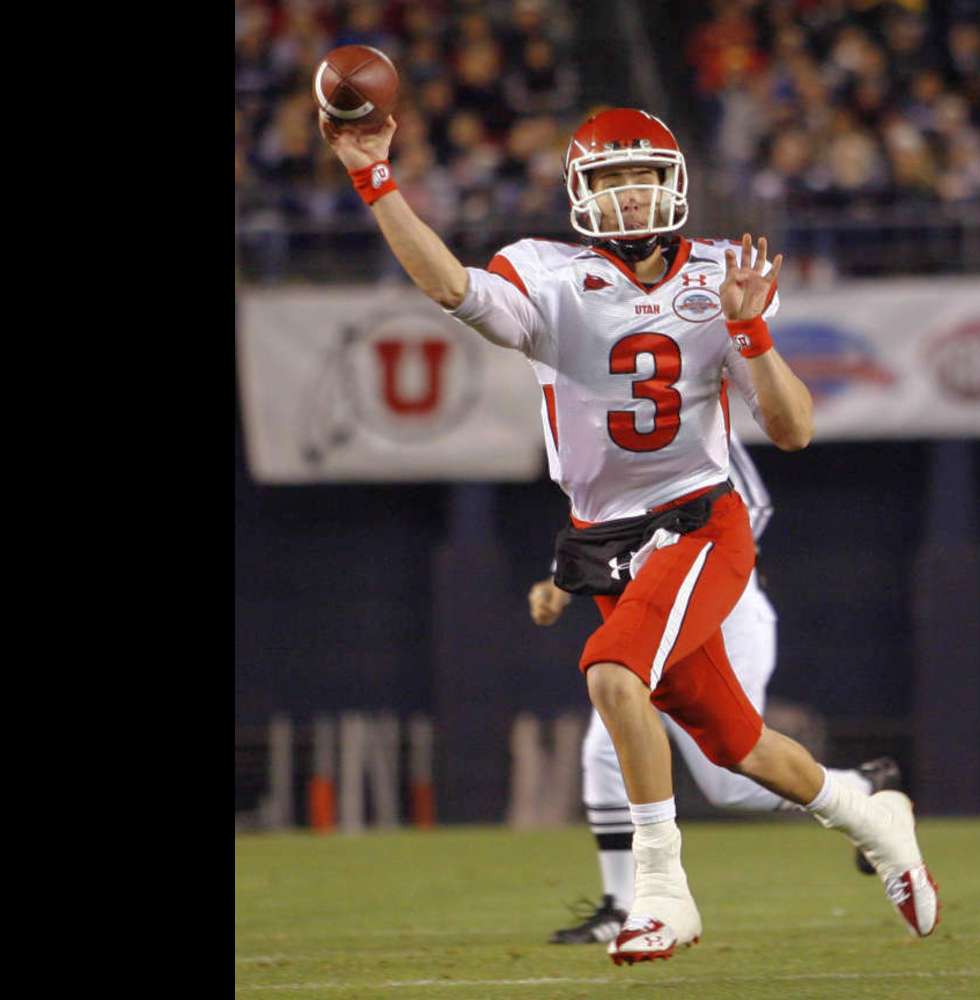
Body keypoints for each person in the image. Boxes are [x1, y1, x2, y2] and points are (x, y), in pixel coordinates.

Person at [318, 105, 939, 964]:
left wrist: (750, 330)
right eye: (612, 180)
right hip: (608, 544)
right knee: (739, 750)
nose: (631, 195)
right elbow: (449, 286)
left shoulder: (721, 274)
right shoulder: (544, 274)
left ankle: (658, 893)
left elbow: (793, 429)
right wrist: (374, 178)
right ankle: (875, 818)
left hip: (700, 522)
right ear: (580, 194)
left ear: (674, 183)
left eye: (644, 176)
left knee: (613, 674)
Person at [528, 430, 905, 945]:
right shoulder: (599, 418)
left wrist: (688, 557)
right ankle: (622, 903)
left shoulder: (688, 415)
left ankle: (861, 790)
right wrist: (562, 579)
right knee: (604, 748)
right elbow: (605, 516)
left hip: (720, 604)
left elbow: (752, 505)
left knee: (732, 777)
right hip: (650, 599)